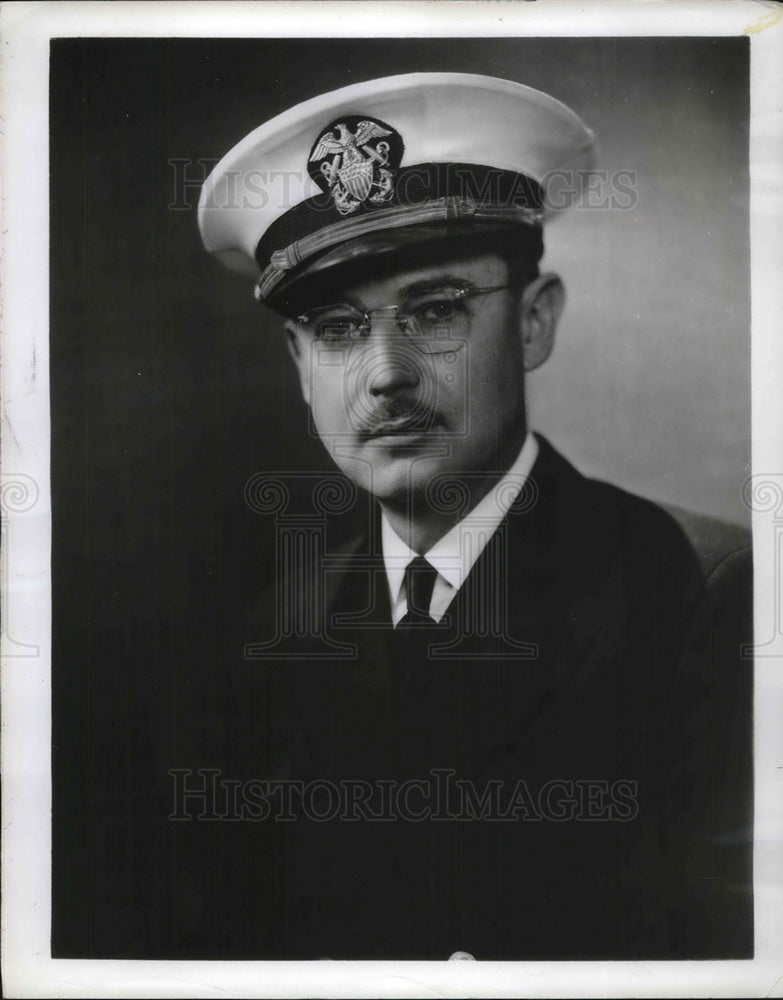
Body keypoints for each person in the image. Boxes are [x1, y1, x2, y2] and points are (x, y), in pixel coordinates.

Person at [197, 73, 753, 960]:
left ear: (533, 323)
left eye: (436, 310)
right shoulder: (282, 621)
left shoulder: (704, 592)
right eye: (338, 329)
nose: (385, 373)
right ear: (300, 364)